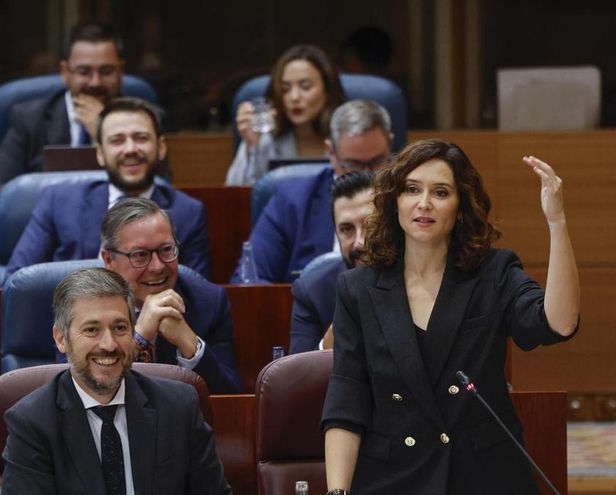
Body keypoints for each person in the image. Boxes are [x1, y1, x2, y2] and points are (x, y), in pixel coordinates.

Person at [322, 139, 580, 494]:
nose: (424, 203)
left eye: (440, 192)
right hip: (395, 477)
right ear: (395, 200)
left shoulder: (493, 272)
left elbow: (559, 322)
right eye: (412, 189)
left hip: (483, 475)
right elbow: (346, 400)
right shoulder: (357, 288)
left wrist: (557, 221)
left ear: (460, 207)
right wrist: (337, 492)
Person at [1, 268, 231, 494]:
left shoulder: (179, 408)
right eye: (92, 330)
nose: (109, 345)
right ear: (61, 339)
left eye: (120, 328)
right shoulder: (33, 423)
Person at [6, 97, 211, 279]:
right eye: (117, 140)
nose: (130, 149)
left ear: (161, 147)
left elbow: (196, 294)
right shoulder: (58, 201)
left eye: (141, 138)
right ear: (100, 153)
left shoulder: (188, 213)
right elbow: (17, 282)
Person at [233, 99, 393, 283]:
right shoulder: (291, 200)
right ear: (331, 153)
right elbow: (249, 280)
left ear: (390, 146)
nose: (367, 173)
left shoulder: (408, 198)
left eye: (377, 162)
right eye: (353, 164)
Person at [0, 22, 171, 185]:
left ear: (121, 71)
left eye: (106, 71)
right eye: (84, 72)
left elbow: (159, 189)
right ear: (65, 72)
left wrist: (103, 129)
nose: (95, 82)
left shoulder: (145, 119)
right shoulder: (29, 120)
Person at [99, 198, 241, 394]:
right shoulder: (85, 307)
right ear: (109, 260)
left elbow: (230, 399)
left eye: (166, 250)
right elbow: (75, 391)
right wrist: (139, 338)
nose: (157, 266)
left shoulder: (209, 303)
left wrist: (190, 345)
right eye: (140, 255)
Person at [226, 44, 345, 185]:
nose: (294, 97)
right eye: (285, 89)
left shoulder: (347, 139)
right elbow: (235, 192)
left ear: (328, 91)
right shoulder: (264, 138)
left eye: (305, 87)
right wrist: (251, 146)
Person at [289, 170, 374, 353]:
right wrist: (333, 339)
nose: (359, 243)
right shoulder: (313, 293)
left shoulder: (417, 281)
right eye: (347, 229)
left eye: (370, 225)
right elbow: (300, 370)